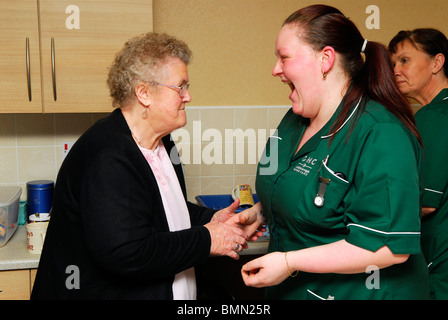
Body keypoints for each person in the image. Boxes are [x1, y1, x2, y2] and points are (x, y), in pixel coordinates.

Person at [31, 32, 264, 300]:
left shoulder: (162, 141)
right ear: (143, 93)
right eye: (180, 87)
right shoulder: (108, 157)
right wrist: (208, 238)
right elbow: (126, 252)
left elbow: (156, 206)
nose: (188, 96)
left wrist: (210, 219)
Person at [241, 5, 430, 300]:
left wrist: (290, 262)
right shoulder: (294, 120)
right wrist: (265, 211)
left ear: (325, 59)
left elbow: (386, 247)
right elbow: (300, 191)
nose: (275, 69)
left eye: (284, 57)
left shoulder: (381, 132)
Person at [389, 28, 448, 299]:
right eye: (392, 64)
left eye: (404, 60)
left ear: (437, 63)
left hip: (440, 261)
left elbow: (424, 202)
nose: (396, 70)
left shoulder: (435, 116)